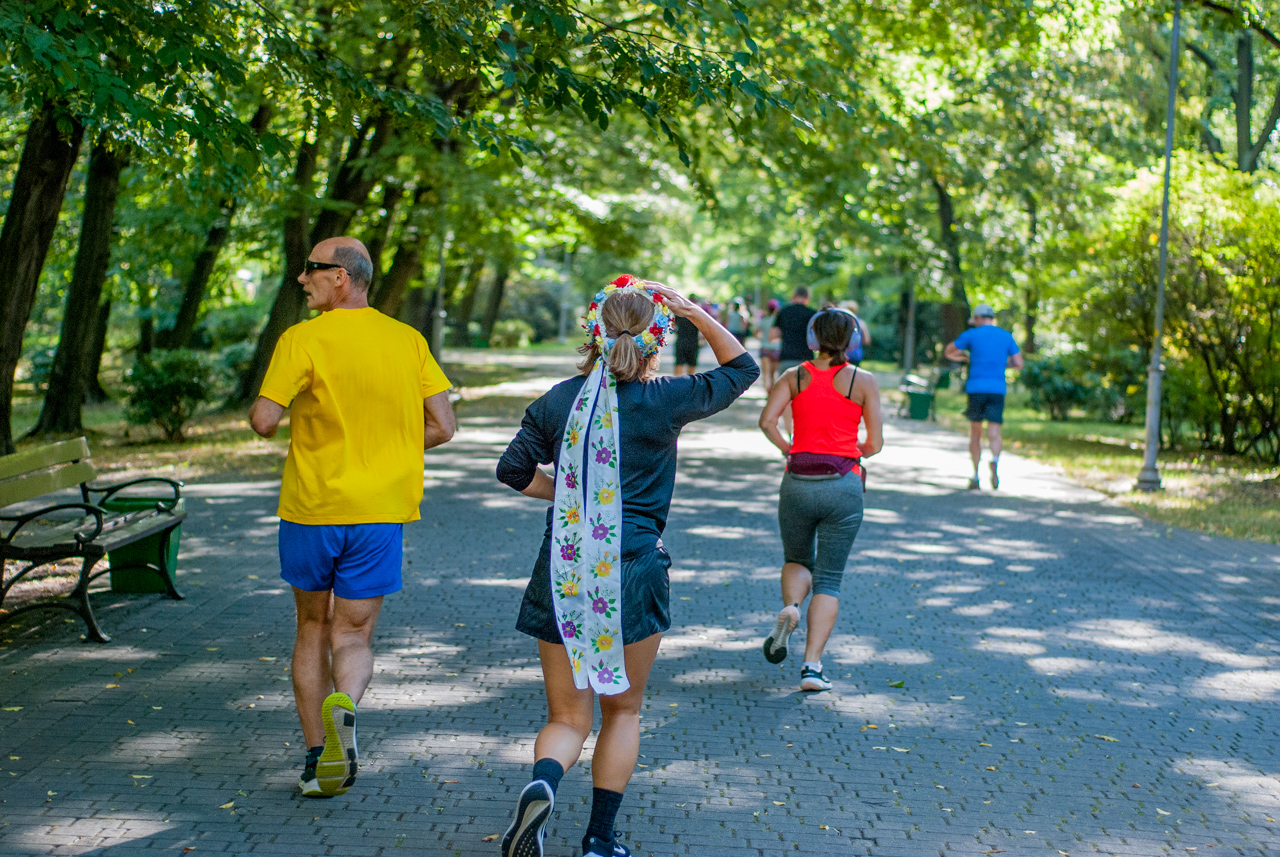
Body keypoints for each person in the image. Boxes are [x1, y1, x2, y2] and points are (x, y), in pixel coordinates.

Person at [496, 276, 757, 857]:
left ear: (592, 332)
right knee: (624, 710)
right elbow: (743, 371)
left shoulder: (558, 400)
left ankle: (543, 782)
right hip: (634, 567)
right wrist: (697, 313)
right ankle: (598, 840)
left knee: (567, 716)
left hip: (562, 570)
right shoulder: (666, 398)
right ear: (654, 342)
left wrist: (570, 494)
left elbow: (511, 469)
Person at [249, 236, 456, 798]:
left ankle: (319, 756)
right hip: (380, 511)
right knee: (355, 633)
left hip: (313, 509)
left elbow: (265, 420)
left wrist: (272, 406)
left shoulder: (302, 340)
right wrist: (387, 454)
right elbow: (442, 425)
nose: (302, 279)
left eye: (311, 270)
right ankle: (349, 704)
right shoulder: (408, 340)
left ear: (340, 277)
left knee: (312, 627)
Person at [758, 308, 883, 692]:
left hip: (797, 480)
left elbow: (767, 421)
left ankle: (791, 608)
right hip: (843, 483)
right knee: (829, 578)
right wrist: (849, 453)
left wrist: (789, 450)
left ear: (812, 338)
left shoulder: (793, 376)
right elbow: (875, 444)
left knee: (797, 559)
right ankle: (811, 667)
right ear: (853, 340)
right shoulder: (862, 381)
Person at [943, 303, 1023, 490]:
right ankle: (994, 460)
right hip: (997, 389)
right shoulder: (1006, 336)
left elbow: (949, 351)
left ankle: (975, 474)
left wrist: (965, 358)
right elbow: (1018, 363)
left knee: (976, 433)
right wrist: (1002, 365)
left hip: (976, 388)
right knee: (994, 432)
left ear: (978, 318)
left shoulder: (971, 335)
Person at [772, 286, 817, 376]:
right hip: (806, 360)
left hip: (786, 359)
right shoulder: (813, 314)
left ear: (793, 296)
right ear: (808, 298)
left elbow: (772, 336)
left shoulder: (783, 312)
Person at [672, 292, 703, 375]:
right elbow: (702, 330)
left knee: (679, 364)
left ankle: (676, 386)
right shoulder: (698, 314)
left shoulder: (680, 313)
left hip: (681, 341)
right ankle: (689, 386)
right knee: (692, 367)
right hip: (693, 342)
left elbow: (673, 326)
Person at [757, 299, 781, 388]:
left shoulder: (763, 320)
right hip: (776, 348)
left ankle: (767, 391)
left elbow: (756, 333)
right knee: (773, 374)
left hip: (765, 348)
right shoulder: (779, 321)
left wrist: (761, 338)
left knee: (766, 373)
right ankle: (772, 392)